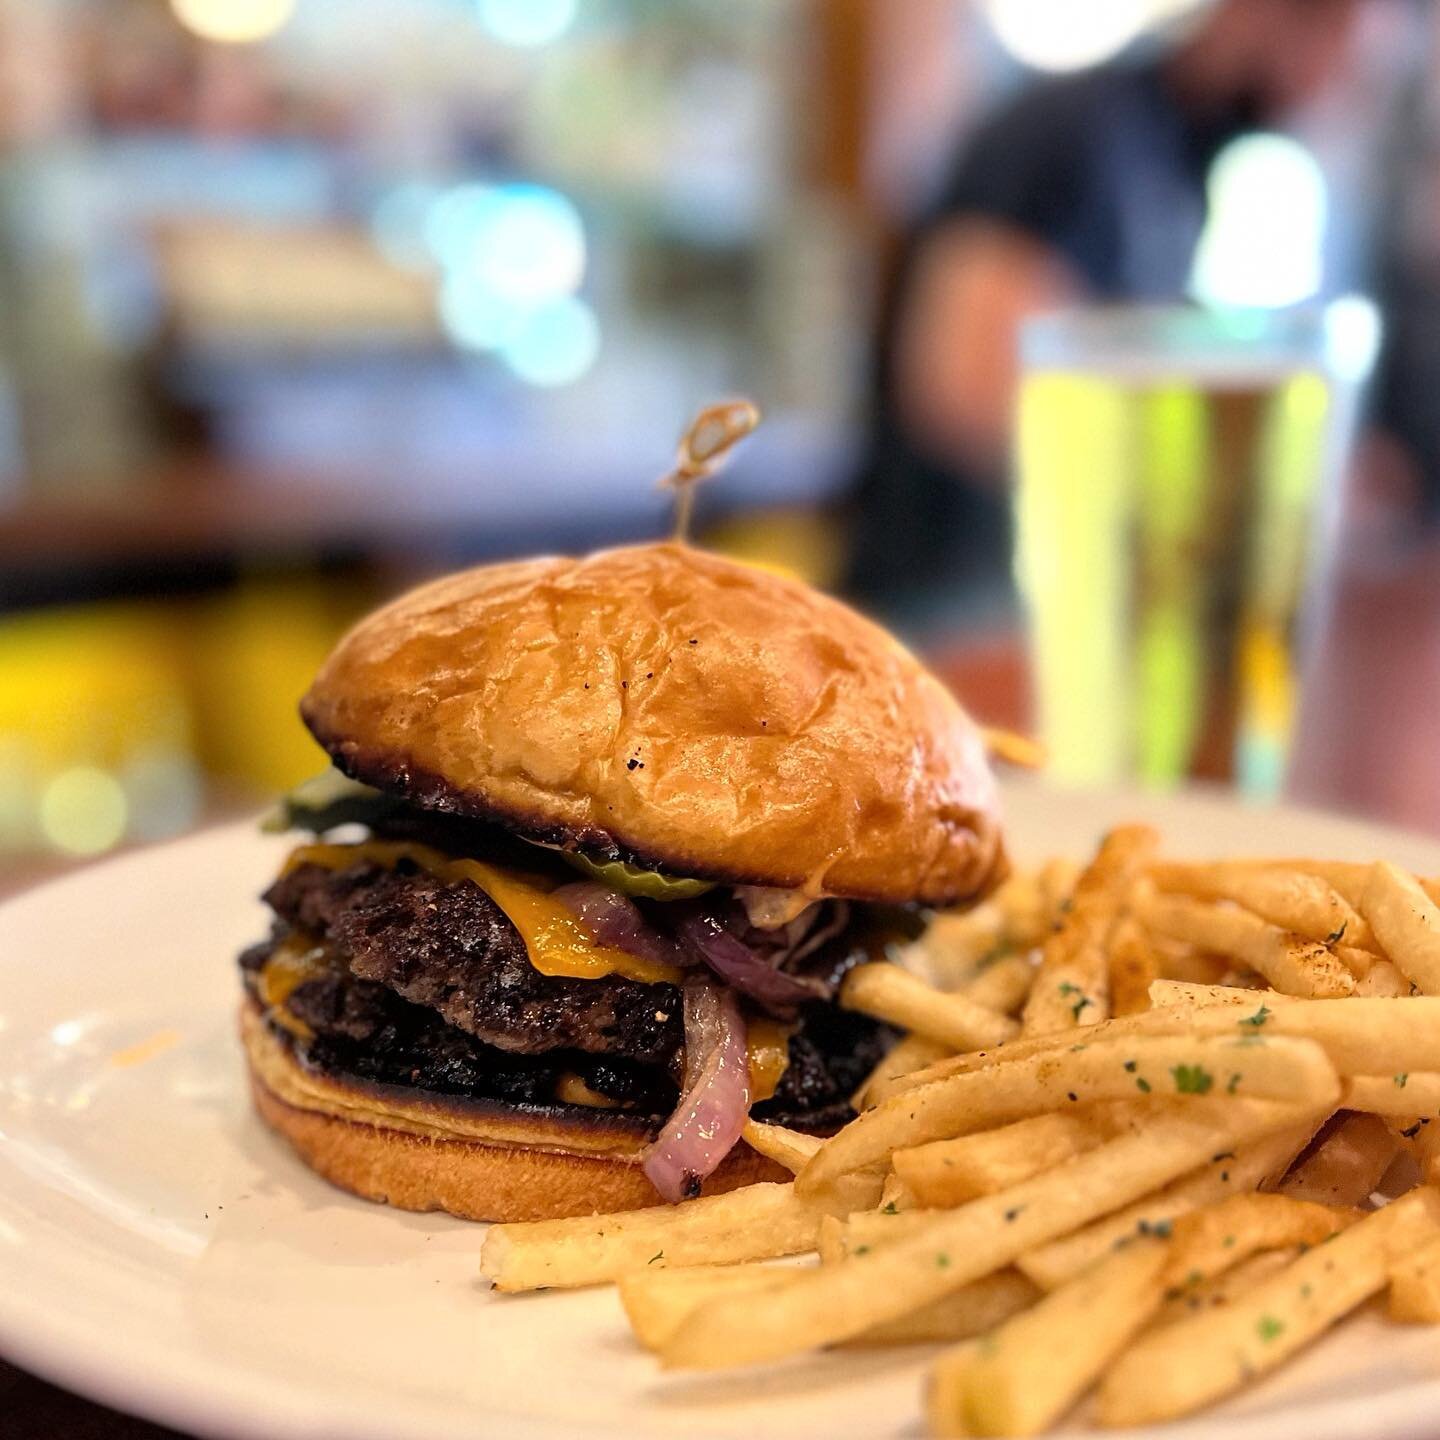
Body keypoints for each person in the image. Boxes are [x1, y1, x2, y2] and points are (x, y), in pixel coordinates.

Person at [845, 0, 1373, 626]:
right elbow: (964, 390)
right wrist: (1226, 494)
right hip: (954, 613)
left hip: (1050, 610)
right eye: (1349, 50)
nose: (1346, 84)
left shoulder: (1180, 160)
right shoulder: (1074, 130)